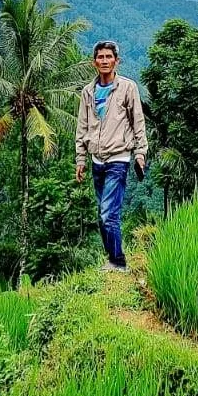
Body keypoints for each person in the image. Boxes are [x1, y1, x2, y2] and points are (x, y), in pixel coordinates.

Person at [75, 39, 148, 273]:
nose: (104, 61)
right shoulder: (88, 92)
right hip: (97, 160)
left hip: (119, 157)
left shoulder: (127, 88)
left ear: (117, 61)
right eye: (100, 57)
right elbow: (82, 127)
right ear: (94, 61)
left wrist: (140, 153)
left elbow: (138, 122)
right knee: (103, 214)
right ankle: (112, 259)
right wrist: (81, 159)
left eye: (109, 57)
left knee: (108, 214)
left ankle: (118, 262)